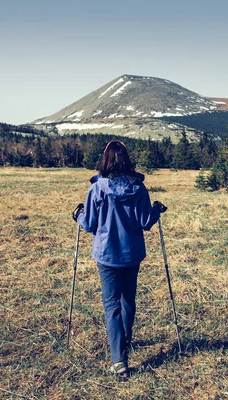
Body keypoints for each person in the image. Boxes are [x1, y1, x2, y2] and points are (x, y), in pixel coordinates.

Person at [73, 140, 166, 376]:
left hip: (106, 255)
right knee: (128, 301)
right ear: (126, 160)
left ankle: (119, 359)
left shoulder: (97, 189)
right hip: (131, 254)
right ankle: (125, 343)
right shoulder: (139, 189)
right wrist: (156, 210)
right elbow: (146, 222)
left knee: (111, 303)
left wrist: (79, 216)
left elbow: (90, 224)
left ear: (105, 160)